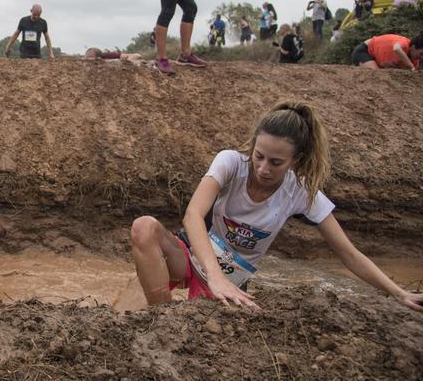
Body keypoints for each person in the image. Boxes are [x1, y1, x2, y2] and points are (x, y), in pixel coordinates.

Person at [130, 101, 423, 312]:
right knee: (144, 228)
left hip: (234, 276)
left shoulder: (301, 192)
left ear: (296, 160)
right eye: (259, 156)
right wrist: (213, 273)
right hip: (196, 256)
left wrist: (397, 293)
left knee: (216, 321)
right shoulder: (231, 162)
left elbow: (347, 252)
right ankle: (161, 320)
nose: (262, 168)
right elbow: (193, 214)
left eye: (276, 162)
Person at [351, 32, 423, 70]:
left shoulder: (415, 61)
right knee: (375, 75)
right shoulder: (403, 42)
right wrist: (410, 66)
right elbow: (396, 49)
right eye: (421, 53)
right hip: (364, 51)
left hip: (378, 60)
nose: (421, 57)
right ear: (413, 47)